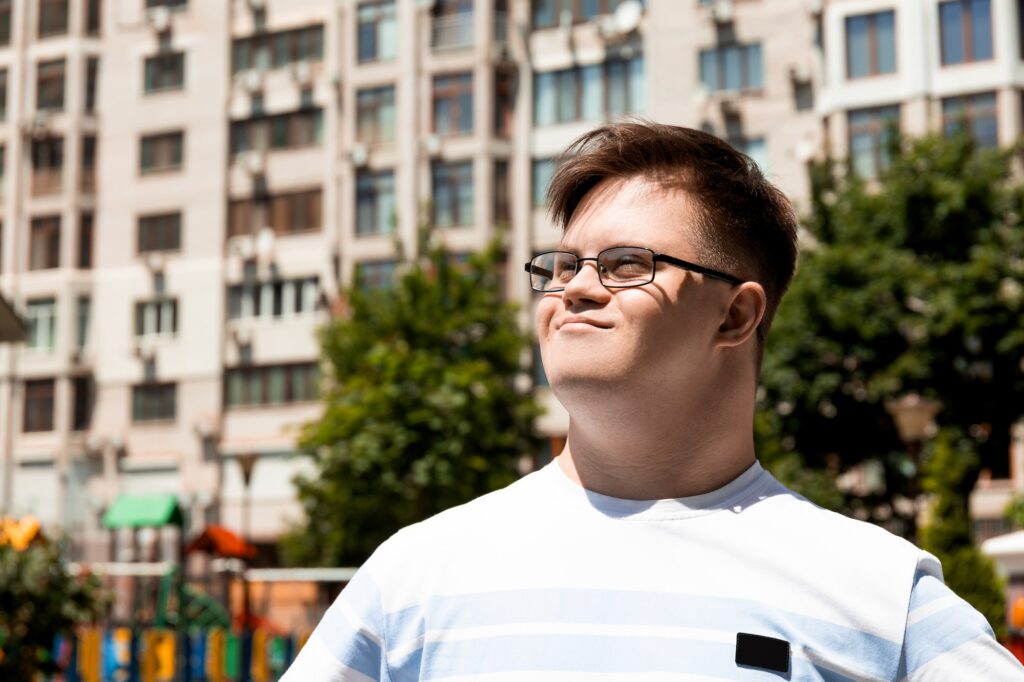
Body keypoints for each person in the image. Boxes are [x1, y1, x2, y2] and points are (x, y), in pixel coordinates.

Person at [283, 122, 1024, 680]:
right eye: (563, 265)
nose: (573, 288)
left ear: (736, 316)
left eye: (625, 264)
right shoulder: (413, 575)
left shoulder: (880, 593)